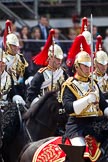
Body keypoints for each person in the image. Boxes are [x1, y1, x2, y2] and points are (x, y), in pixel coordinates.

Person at [61, 46, 108, 161]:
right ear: (77, 66)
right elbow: (69, 108)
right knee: (79, 151)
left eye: (89, 66)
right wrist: (87, 99)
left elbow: (103, 105)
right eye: (85, 66)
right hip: (77, 126)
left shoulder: (94, 83)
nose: (88, 69)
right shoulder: (69, 85)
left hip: (95, 124)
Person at [3, 20, 28, 101]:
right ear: (8, 45)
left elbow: (27, 73)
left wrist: (30, 79)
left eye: (17, 46)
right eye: (13, 46)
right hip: (6, 89)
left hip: (21, 87)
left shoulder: (20, 58)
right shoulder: (2, 58)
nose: (16, 48)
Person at [93, 35, 108, 100]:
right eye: (101, 64)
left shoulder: (107, 77)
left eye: (105, 64)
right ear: (95, 63)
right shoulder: (90, 79)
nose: (104, 67)